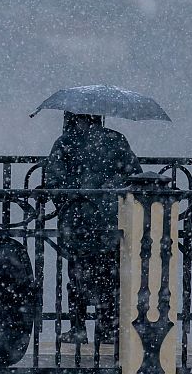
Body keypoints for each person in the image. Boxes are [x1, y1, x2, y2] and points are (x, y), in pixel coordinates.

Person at [44, 112, 142, 344]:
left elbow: (54, 181)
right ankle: (108, 328)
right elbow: (136, 175)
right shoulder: (116, 140)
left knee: (78, 274)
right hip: (111, 220)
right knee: (110, 274)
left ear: (72, 118)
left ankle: (78, 328)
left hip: (78, 221)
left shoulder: (65, 142)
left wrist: (70, 204)